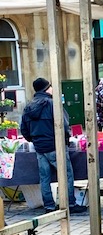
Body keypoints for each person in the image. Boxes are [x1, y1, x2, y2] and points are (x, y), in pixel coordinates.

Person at [20, 77, 88, 214]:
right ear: (46, 89)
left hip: (40, 147)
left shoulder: (28, 106)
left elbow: (24, 129)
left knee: (44, 178)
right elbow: (64, 125)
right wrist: (66, 140)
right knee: (66, 175)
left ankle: (49, 206)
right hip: (55, 146)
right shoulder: (53, 104)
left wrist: (34, 140)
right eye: (50, 86)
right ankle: (70, 204)